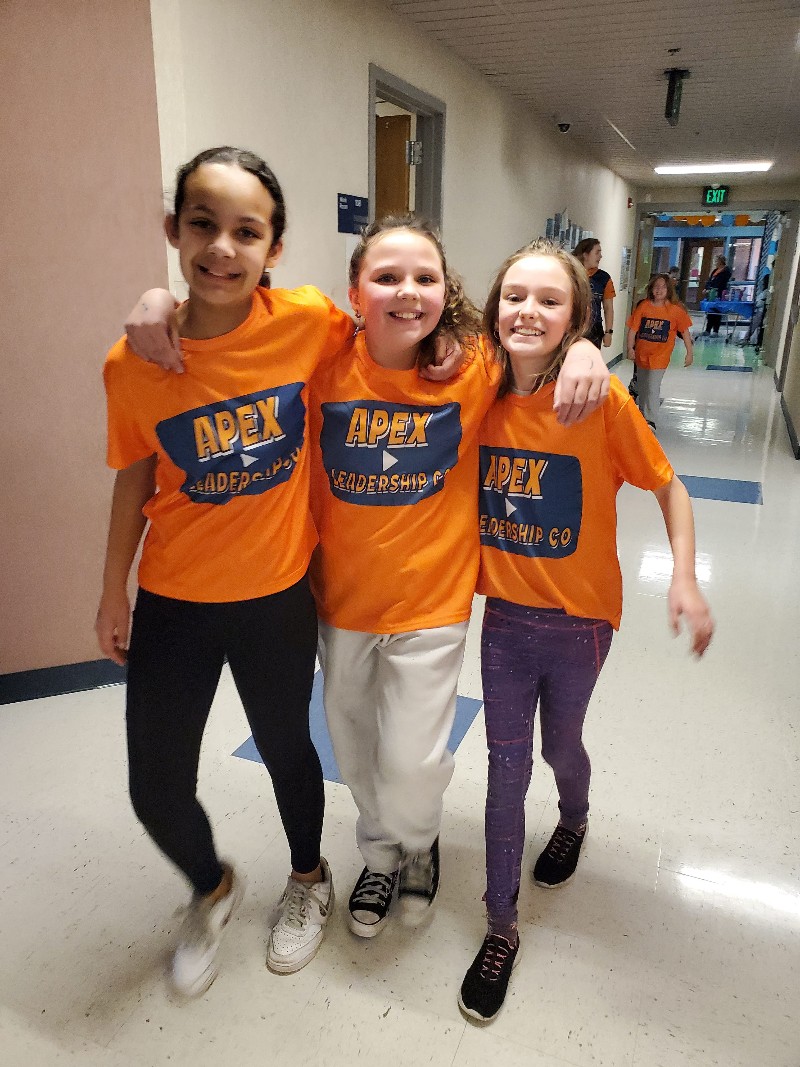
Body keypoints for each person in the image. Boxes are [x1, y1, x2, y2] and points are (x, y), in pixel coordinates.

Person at [124, 213, 611, 944]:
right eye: (386, 277)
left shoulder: (475, 363)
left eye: (425, 278)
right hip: (338, 603)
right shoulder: (318, 359)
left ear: (448, 293)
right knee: (353, 751)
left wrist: (586, 351)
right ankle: (382, 857)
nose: (407, 292)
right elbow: (232, 324)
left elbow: (535, 347)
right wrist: (157, 301)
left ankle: (419, 838)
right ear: (354, 293)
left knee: (412, 762)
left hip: (433, 603)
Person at [95, 146, 355, 995]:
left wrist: (573, 347)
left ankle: (309, 881)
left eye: (248, 231)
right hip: (174, 600)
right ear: (173, 229)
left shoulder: (308, 322)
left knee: (289, 751)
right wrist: (111, 590)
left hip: (277, 594)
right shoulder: (133, 362)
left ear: (274, 249)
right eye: (202, 225)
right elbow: (135, 473)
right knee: (155, 785)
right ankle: (211, 886)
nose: (223, 247)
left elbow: (405, 332)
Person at [457, 239, 714, 1024]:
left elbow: (670, 490)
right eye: (515, 296)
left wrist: (683, 576)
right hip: (501, 619)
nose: (528, 310)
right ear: (494, 307)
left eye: (550, 300)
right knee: (505, 769)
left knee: (558, 747)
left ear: (577, 316)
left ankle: (574, 817)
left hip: (581, 624)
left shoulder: (602, 403)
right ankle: (501, 925)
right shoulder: (476, 388)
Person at [626, 273, 693, 430]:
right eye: (656, 287)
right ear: (651, 289)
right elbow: (632, 330)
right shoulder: (644, 307)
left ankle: (651, 421)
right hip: (642, 355)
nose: (659, 290)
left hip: (660, 356)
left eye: (663, 287)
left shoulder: (675, 311)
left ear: (668, 290)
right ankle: (642, 417)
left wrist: (689, 352)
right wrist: (630, 348)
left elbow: (685, 332)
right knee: (642, 387)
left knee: (652, 387)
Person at [573, 237, 616, 350]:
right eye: (597, 252)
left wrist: (609, 332)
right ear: (585, 254)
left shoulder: (604, 278)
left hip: (594, 331)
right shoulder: (571, 274)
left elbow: (608, 308)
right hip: (572, 328)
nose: (600, 256)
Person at [703, 255, 732, 336]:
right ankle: (707, 330)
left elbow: (720, 282)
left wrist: (714, 288)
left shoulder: (726, 271)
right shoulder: (715, 271)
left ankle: (715, 330)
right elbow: (710, 280)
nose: (715, 262)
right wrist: (707, 288)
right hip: (711, 294)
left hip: (719, 293)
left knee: (717, 312)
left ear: (721, 261)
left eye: (717, 261)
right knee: (710, 311)